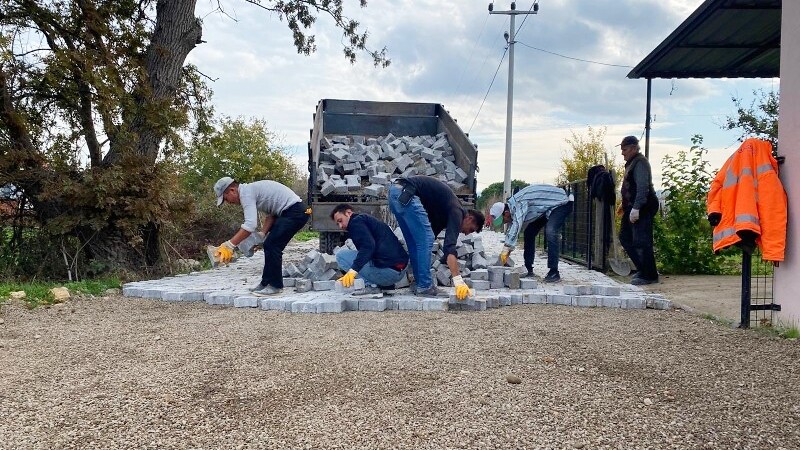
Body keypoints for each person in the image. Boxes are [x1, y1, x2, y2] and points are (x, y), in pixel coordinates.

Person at [388, 175, 485, 299]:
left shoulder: (446, 210)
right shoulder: (457, 211)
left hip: (396, 193)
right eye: (470, 229)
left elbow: (436, 241)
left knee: (415, 242)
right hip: (407, 194)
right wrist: (458, 281)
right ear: (469, 218)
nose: (466, 233)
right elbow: (449, 248)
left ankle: (417, 282)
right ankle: (424, 286)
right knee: (424, 240)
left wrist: (444, 260)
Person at [213, 176, 309, 296]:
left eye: (226, 199)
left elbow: (250, 225)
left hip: (295, 212)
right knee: (269, 244)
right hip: (291, 211)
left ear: (232, 190)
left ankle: (275, 286)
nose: (229, 203)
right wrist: (262, 235)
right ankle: (266, 283)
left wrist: (230, 245)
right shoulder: (251, 190)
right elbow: (271, 214)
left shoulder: (246, 193)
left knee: (273, 245)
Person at [488, 184, 573, 282]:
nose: (504, 223)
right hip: (547, 209)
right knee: (529, 232)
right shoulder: (513, 208)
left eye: (503, 220)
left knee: (550, 231)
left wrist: (505, 252)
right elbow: (512, 229)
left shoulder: (519, 203)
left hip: (562, 203)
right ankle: (528, 269)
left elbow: (516, 225)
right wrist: (506, 254)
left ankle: (554, 272)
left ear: (506, 213)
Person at [330, 204, 409, 295]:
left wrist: (353, 270)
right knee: (365, 255)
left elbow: (368, 247)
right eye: (337, 224)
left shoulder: (355, 223)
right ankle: (386, 287)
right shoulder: (366, 220)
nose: (340, 226)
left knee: (341, 256)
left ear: (348, 213)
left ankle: (372, 286)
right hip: (400, 271)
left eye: (340, 221)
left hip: (389, 273)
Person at [618, 135, 659, 285]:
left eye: (625, 149)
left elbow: (642, 187)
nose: (623, 153)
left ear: (634, 148)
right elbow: (631, 187)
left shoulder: (640, 163)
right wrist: (625, 204)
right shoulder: (631, 163)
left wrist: (636, 208)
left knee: (642, 241)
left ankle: (650, 275)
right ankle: (643, 269)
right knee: (625, 237)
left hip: (643, 206)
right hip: (631, 206)